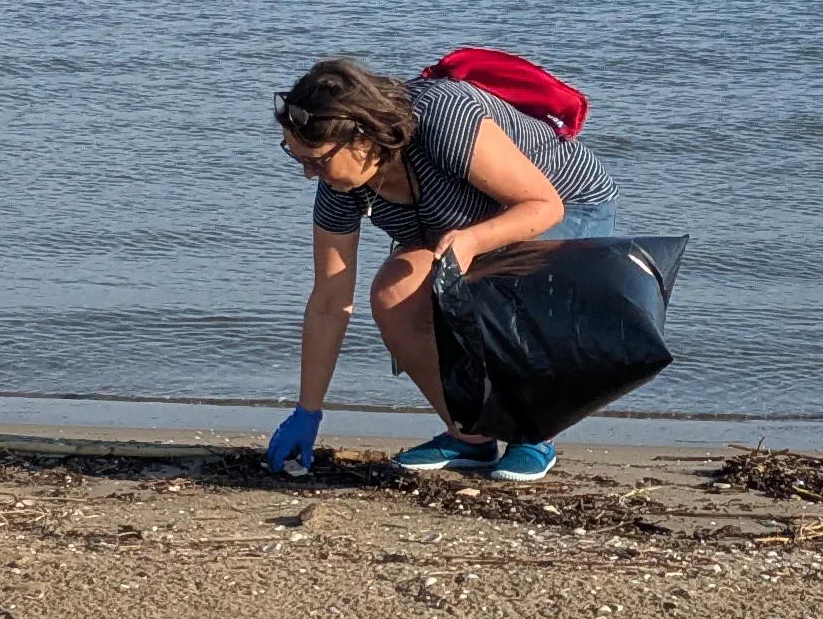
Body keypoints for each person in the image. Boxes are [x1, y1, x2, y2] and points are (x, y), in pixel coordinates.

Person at [265, 54, 624, 482]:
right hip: (459, 223)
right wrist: (308, 411)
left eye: (317, 160)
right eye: (297, 156)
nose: (309, 174)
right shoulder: (339, 186)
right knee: (394, 294)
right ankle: (472, 432)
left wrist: (474, 240)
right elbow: (329, 300)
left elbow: (543, 205)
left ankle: (533, 432)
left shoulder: (443, 117)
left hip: (563, 204)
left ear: (362, 139)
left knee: (496, 294)